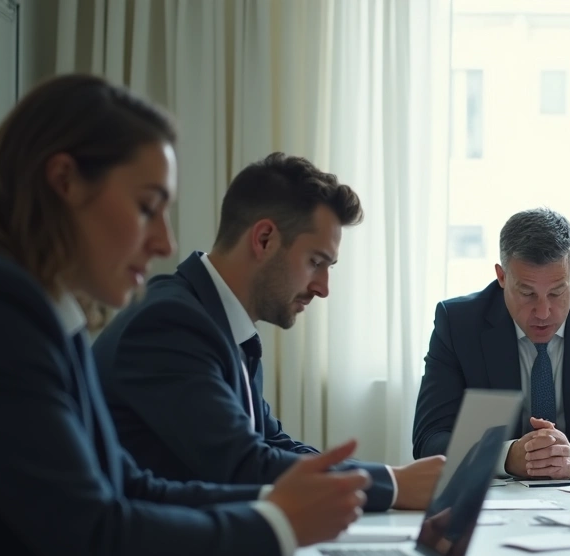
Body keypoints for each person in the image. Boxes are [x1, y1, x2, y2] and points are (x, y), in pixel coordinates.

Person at [0, 74, 368, 556]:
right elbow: (96, 536)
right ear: (64, 181)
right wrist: (278, 524)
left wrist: (281, 500)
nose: (164, 241)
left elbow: (130, 484)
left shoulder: (43, 308)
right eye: (147, 207)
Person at [92, 153, 443, 512]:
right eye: (315, 262)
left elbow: (272, 443)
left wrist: (382, 480)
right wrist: (392, 485)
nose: (323, 288)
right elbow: (242, 465)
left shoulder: (219, 321)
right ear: (263, 239)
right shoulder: (170, 323)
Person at [412, 208, 570, 480]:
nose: (542, 312)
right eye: (527, 293)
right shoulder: (458, 324)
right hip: (496, 504)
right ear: (501, 277)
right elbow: (429, 439)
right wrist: (505, 455)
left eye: (557, 292)